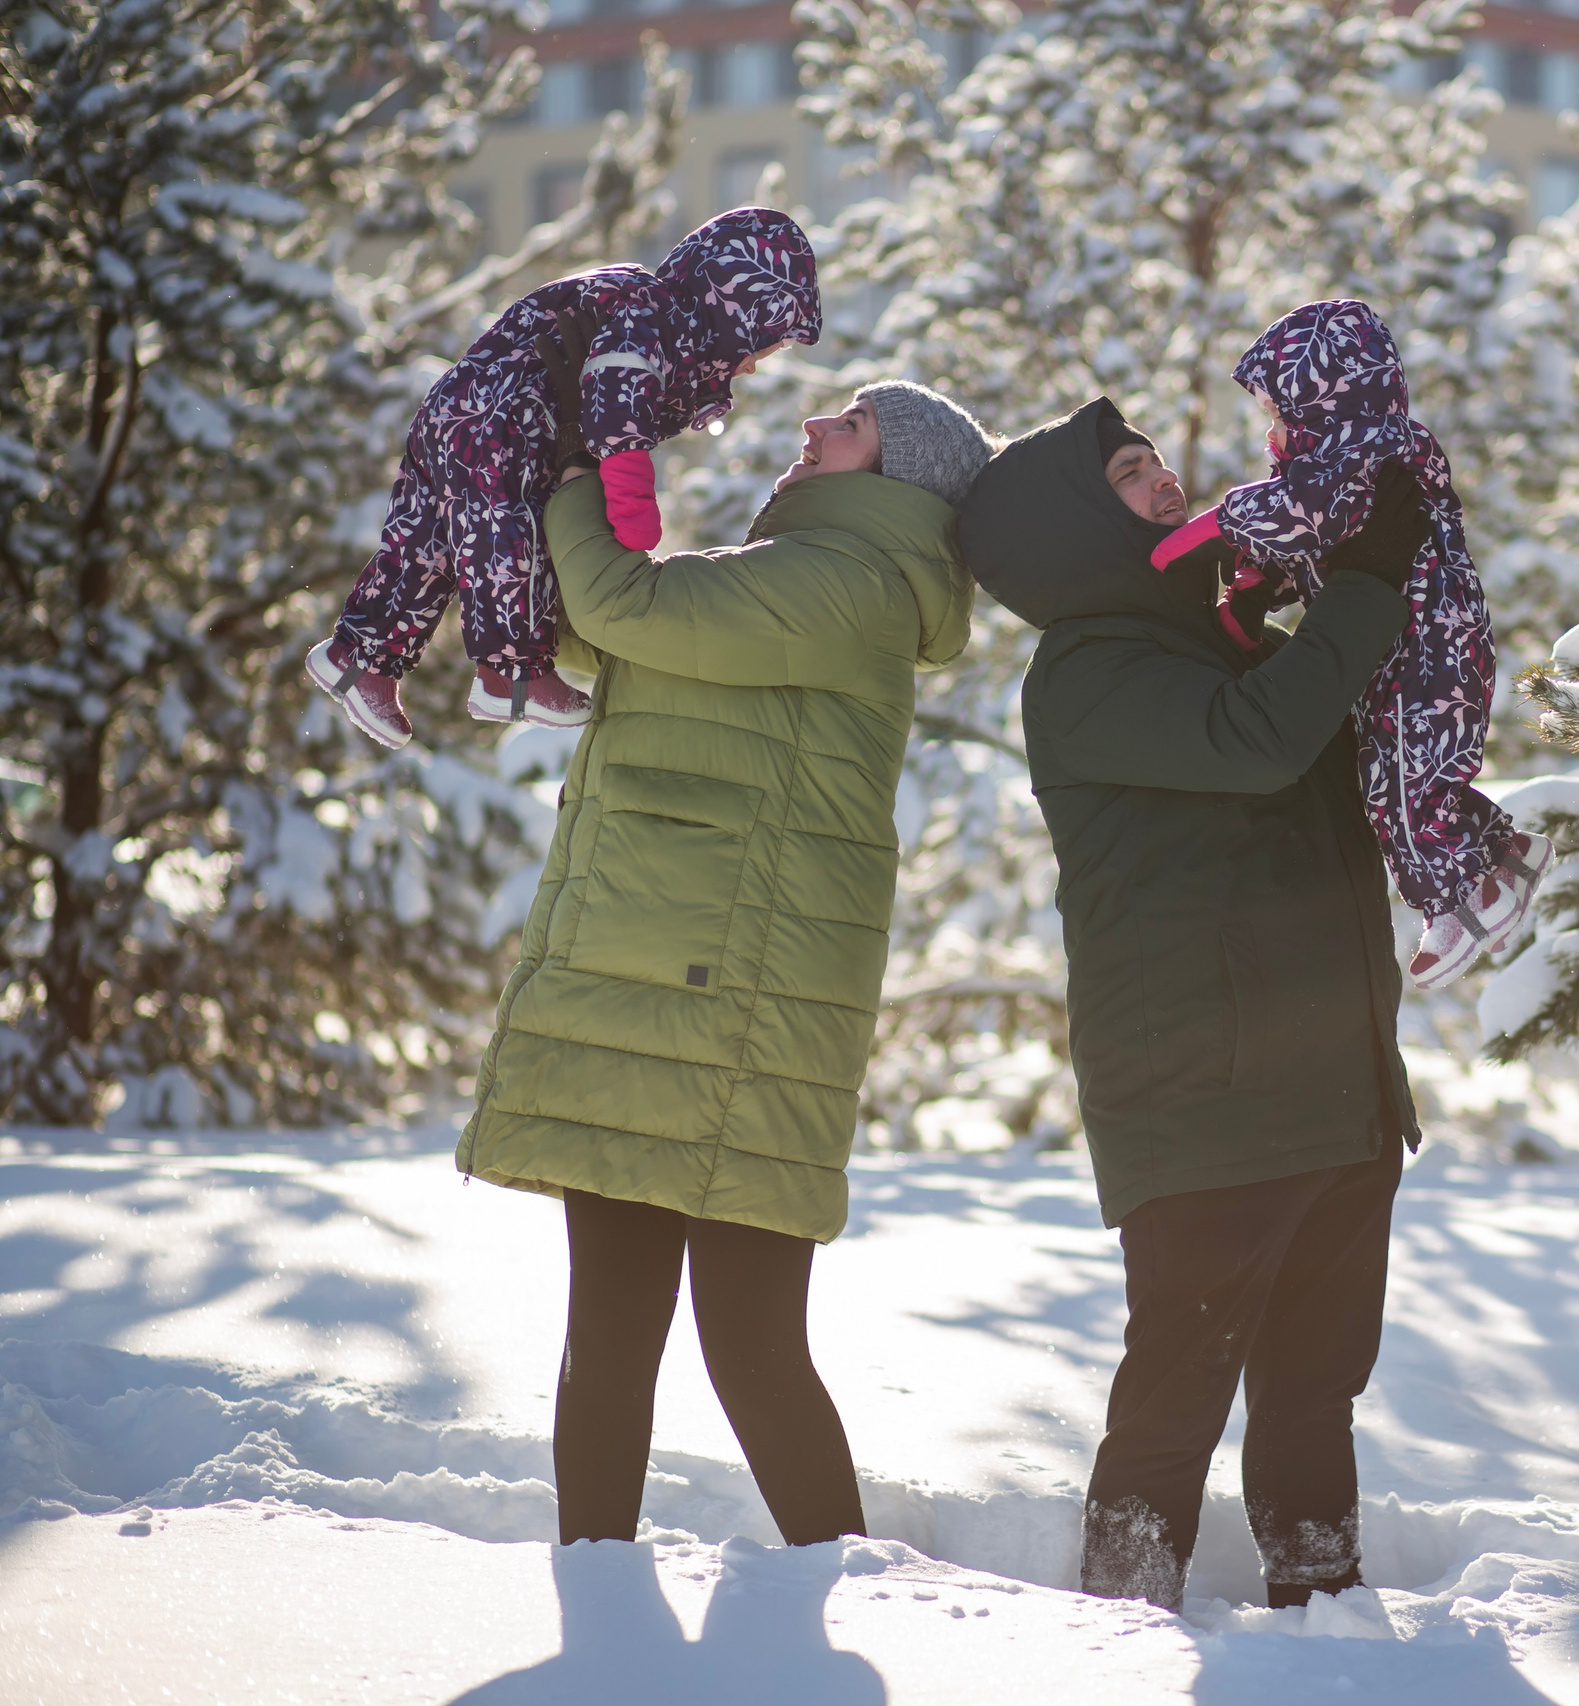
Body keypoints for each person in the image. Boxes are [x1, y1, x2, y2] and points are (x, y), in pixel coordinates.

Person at [457, 333, 997, 1547]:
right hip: (670, 985)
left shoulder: (847, 586)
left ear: (896, 476)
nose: (815, 425)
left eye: (850, 422)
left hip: (728, 1006)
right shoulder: (795, 570)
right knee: (616, 1334)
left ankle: (845, 1586)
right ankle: (601, 1589)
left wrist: (577, 468)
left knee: (745, 1341)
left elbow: (616, 600)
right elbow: (605, 634)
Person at [958, 396, 1435, 1612]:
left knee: (1316, 1384)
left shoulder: (1224, 639)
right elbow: (1256, 743)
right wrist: (1362, 590)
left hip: (1332, 1089)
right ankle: (1121, 1617)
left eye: (1157, 457)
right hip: (1208, 1100)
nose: (1168, 479)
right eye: (1128, 472)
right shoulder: (1088, 671)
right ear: (1072, 528)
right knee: (1177, 1392)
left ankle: (1325, 1609)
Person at [308, 208, 823, 749]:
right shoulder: (652, 315)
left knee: (427, 546)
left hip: (462, 411)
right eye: (764, 346)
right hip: (505, 427)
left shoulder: (652, 307)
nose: (751, 366)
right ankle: (513, 675)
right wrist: (632, 506)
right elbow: (616, 398)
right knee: (507, 540)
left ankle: (358, 658)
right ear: (738, 311)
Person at [1149, 299, 1550, 988]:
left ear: (1322, 402)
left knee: (1397, 785)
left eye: (1278, 414)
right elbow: (1303, 546)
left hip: (1428, 652)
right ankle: (1504, 855)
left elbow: (1297, 514)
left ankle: (1462, 901)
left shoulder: (1369, 454)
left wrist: (1204, 532)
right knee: (1410, 777)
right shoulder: (1329, 469)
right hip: (1406, 655)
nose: (1272, 431)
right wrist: (1248, 595)